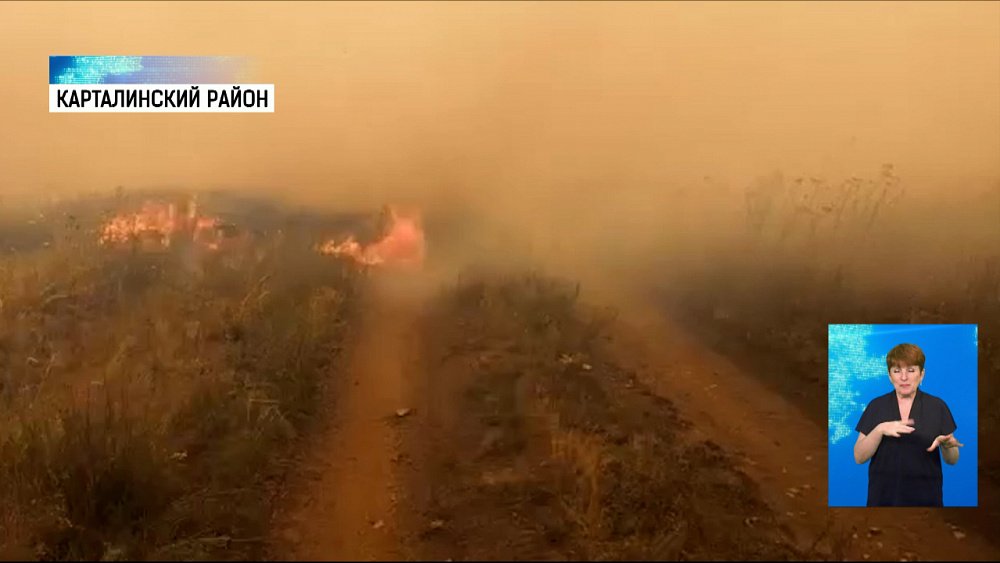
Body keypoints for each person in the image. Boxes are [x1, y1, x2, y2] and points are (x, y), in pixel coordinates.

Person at [853, 343, 963, 507]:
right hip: (882, 499)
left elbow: (952, 460)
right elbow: (859, 457)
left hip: (927, 499)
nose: (903, 377)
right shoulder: (876, 406)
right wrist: (880, 430)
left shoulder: (937, 406)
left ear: (922, 374)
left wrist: (947, 446)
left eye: (911, 370)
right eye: (897, 371)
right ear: (890, 376)